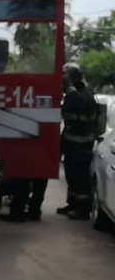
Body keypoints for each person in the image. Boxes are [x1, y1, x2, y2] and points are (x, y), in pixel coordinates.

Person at [56, 62, 99, 220]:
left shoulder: (85, 93)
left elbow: (80, 104)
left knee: (80, 178)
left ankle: (82, 211)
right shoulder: (71, 93)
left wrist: (69, 88)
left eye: (65, 75)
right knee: (71, 176)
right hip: (71, 143)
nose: (62, 79)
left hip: (82, 144)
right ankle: (72, 204)